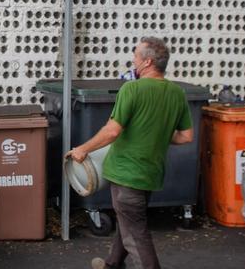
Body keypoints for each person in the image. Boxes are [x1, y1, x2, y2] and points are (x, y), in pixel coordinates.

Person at [68, 37, 193, 269]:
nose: (133, 61)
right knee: (128, 223)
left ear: (147, 62)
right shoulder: (177, 93)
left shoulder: (132, 89)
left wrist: (83, 149)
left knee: (135, 233)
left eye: (135, 56)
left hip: (126, 173)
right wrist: (157, 134)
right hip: (150, 173)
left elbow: (112, 131)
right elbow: (186, 136)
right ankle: (112, 264)